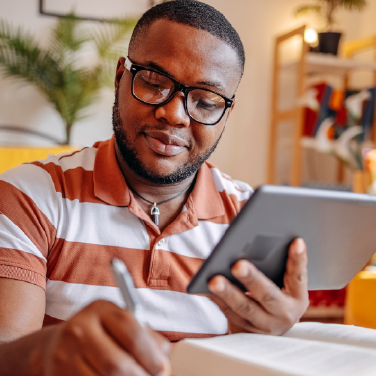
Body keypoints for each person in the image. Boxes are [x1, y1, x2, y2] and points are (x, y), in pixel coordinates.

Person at [0, 1, 309, 375]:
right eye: (153, 81)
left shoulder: (256, 219)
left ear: (225, 113)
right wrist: (42, 355)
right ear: (120, 77)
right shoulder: (28, 197)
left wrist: (276, 339)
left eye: (206, 101)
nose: (174, 114)